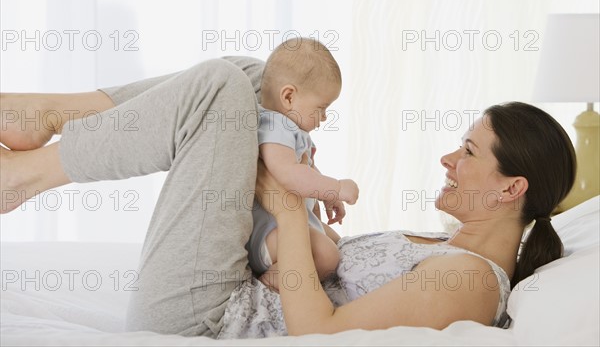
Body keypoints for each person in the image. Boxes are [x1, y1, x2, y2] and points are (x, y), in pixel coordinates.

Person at [0, 52, 576, 338]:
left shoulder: (470, 281)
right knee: (261, 78)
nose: (449, 161)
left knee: (222, 88)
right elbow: (325, 270)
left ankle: (29, 173)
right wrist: (298, 184)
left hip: (209, 321)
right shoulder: (445, 245)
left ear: (512, 187)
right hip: (233, 281)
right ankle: (45, 113)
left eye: (469, 153)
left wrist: (285, 209)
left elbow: (320, 333)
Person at [246, 38, 359, 291]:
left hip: (293, 223)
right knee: (329, 258)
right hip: (270, 233)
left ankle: (289, 269)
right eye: (321, 107)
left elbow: (306, 171)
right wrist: (335, 187)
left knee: (337, 243)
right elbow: (287, 173)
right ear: (288, 97)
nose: (325, 116)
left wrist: (326, 197)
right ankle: (274, 277)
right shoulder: (275, 125)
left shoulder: (290, 130)